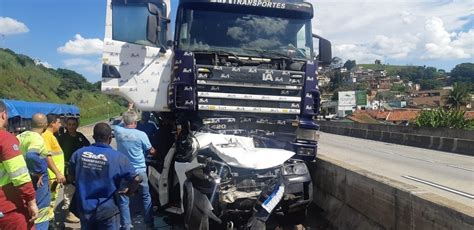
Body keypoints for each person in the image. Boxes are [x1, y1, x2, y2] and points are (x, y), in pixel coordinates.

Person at [69, 122, 141, 230]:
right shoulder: (118, 158)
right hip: (107, 209)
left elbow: (71, 177)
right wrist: (130, 191)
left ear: (93, 137)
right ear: (110, 138)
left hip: (84, 207)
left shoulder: (78, 154)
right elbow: (137, 178)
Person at [0, 100, 38, 229]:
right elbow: (20, 175)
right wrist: (31, 201)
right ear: (3, 115)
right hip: (9, 207)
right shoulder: (5, 139)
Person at [114, 111, 156, 229]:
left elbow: (121, 123)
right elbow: (151, 150)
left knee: (123, 197)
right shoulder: (141, 134)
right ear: (134, 122)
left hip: (124, 171)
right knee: (145, 196)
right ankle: (149, 223)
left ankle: (126, 225)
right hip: (139, 171)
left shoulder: (118, 131)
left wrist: (128, 109)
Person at [17, 113, 52, 230]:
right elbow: (32, 155)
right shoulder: (37, 138)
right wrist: (38, 172)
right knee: (41, 213)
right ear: (45, 125)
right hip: (37, 182)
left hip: (22, 179)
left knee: (28, 213)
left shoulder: (20, 136)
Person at [56, 117, 90, 223]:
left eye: (73, 124)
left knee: (81, 189)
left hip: (81, 168)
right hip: (68, 168)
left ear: (77, 125)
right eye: (69, 124)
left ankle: (79, 209)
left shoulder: (80, 136)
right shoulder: (62, 138)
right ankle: (68, 213)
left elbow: (88, 146)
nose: (71, 126)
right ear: (66, 125)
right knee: (69, 190)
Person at [42, 113, 66, 224]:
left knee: (52, 201)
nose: (60, 125)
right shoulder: (47, 136)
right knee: (50, 202)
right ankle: (49, 224)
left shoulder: (51, 136)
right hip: (52, 177)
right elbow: (47, 156)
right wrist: (57, 173)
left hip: (54, 176)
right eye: (58, 122)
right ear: (52, 123)